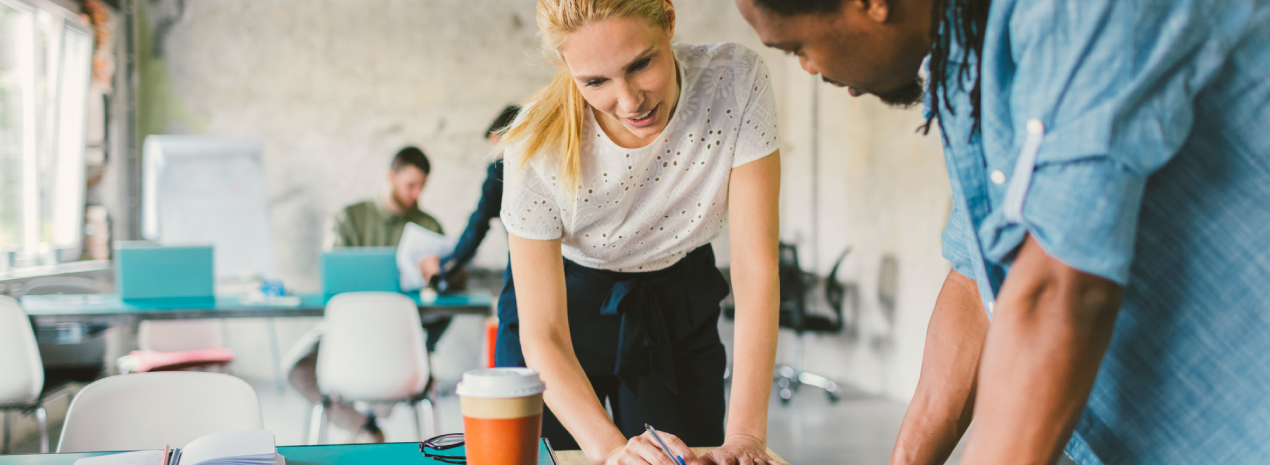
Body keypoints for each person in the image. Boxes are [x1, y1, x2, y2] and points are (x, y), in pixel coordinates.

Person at [737, 0, 1270, 464]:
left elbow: (1060, 288)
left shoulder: (1079, 12)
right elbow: (978, 282)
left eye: (797, 47)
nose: (807, 68)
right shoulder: (967, 52)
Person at [496, 1, 784, 464]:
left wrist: (748, 434)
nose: (630, 101)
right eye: (595, 82)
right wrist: (610, 451)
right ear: (566, 67)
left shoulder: (734, 80)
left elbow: (755, 267)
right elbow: (544, 332)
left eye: (641, 64)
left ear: (669, 20)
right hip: (562, 310)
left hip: (675, 302)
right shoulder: (534, 144)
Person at [287, 146, 445, 443]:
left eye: (421, 186)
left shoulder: (429, 227)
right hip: (346, 331)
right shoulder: (348, 220)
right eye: (410, 185)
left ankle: (375, 410)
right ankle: (364, 426)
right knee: (298, 369)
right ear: (391, 176)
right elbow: (334, 281)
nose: (416, 193)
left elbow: (448, 296)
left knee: (386, 379)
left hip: (399, 338)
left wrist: (440, 276)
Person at [418, 105, 522, 285]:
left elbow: (479, 222)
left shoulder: (500, 170)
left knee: (510, 310)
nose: (497, 155)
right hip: (570, 266)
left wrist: (448, 263)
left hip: (526, 266)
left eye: (497, 146)